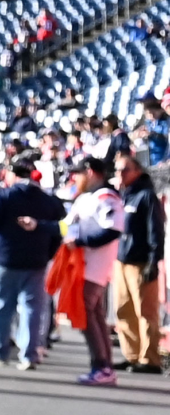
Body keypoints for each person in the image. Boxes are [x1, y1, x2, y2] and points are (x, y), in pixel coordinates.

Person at [0, 155, 63, 370]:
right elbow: (60, 226)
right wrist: (48, 253)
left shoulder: (4, 196)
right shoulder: (47, 200)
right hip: (36, 260)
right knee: (32, 309)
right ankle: (29, 354)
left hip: (7, 259)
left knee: (2, 306)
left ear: (13, 175)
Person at [62, 155, 128, 386]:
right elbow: (66, 225)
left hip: (95, 266)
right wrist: (39, 225)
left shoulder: (106, 197)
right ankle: (103, 365)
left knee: (86, 314)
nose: (74, 178)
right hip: (85, 266)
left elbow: (113, 230)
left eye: (77, 173)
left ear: (90, 172)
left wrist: (80, 241)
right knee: (95, 315)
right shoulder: (86, 198)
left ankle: (101, 366)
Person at [114, 152, 162, 374]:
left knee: (145, 312)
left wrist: (154, 260)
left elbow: (156, 231)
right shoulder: (124, 196)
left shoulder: (146, 196)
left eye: (125, 170)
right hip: (122, 260)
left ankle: (149, 359)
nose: (120, 174)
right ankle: (131, 355)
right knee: (124, 310)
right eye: (117, 170)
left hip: (141, 261)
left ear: (137, 172)